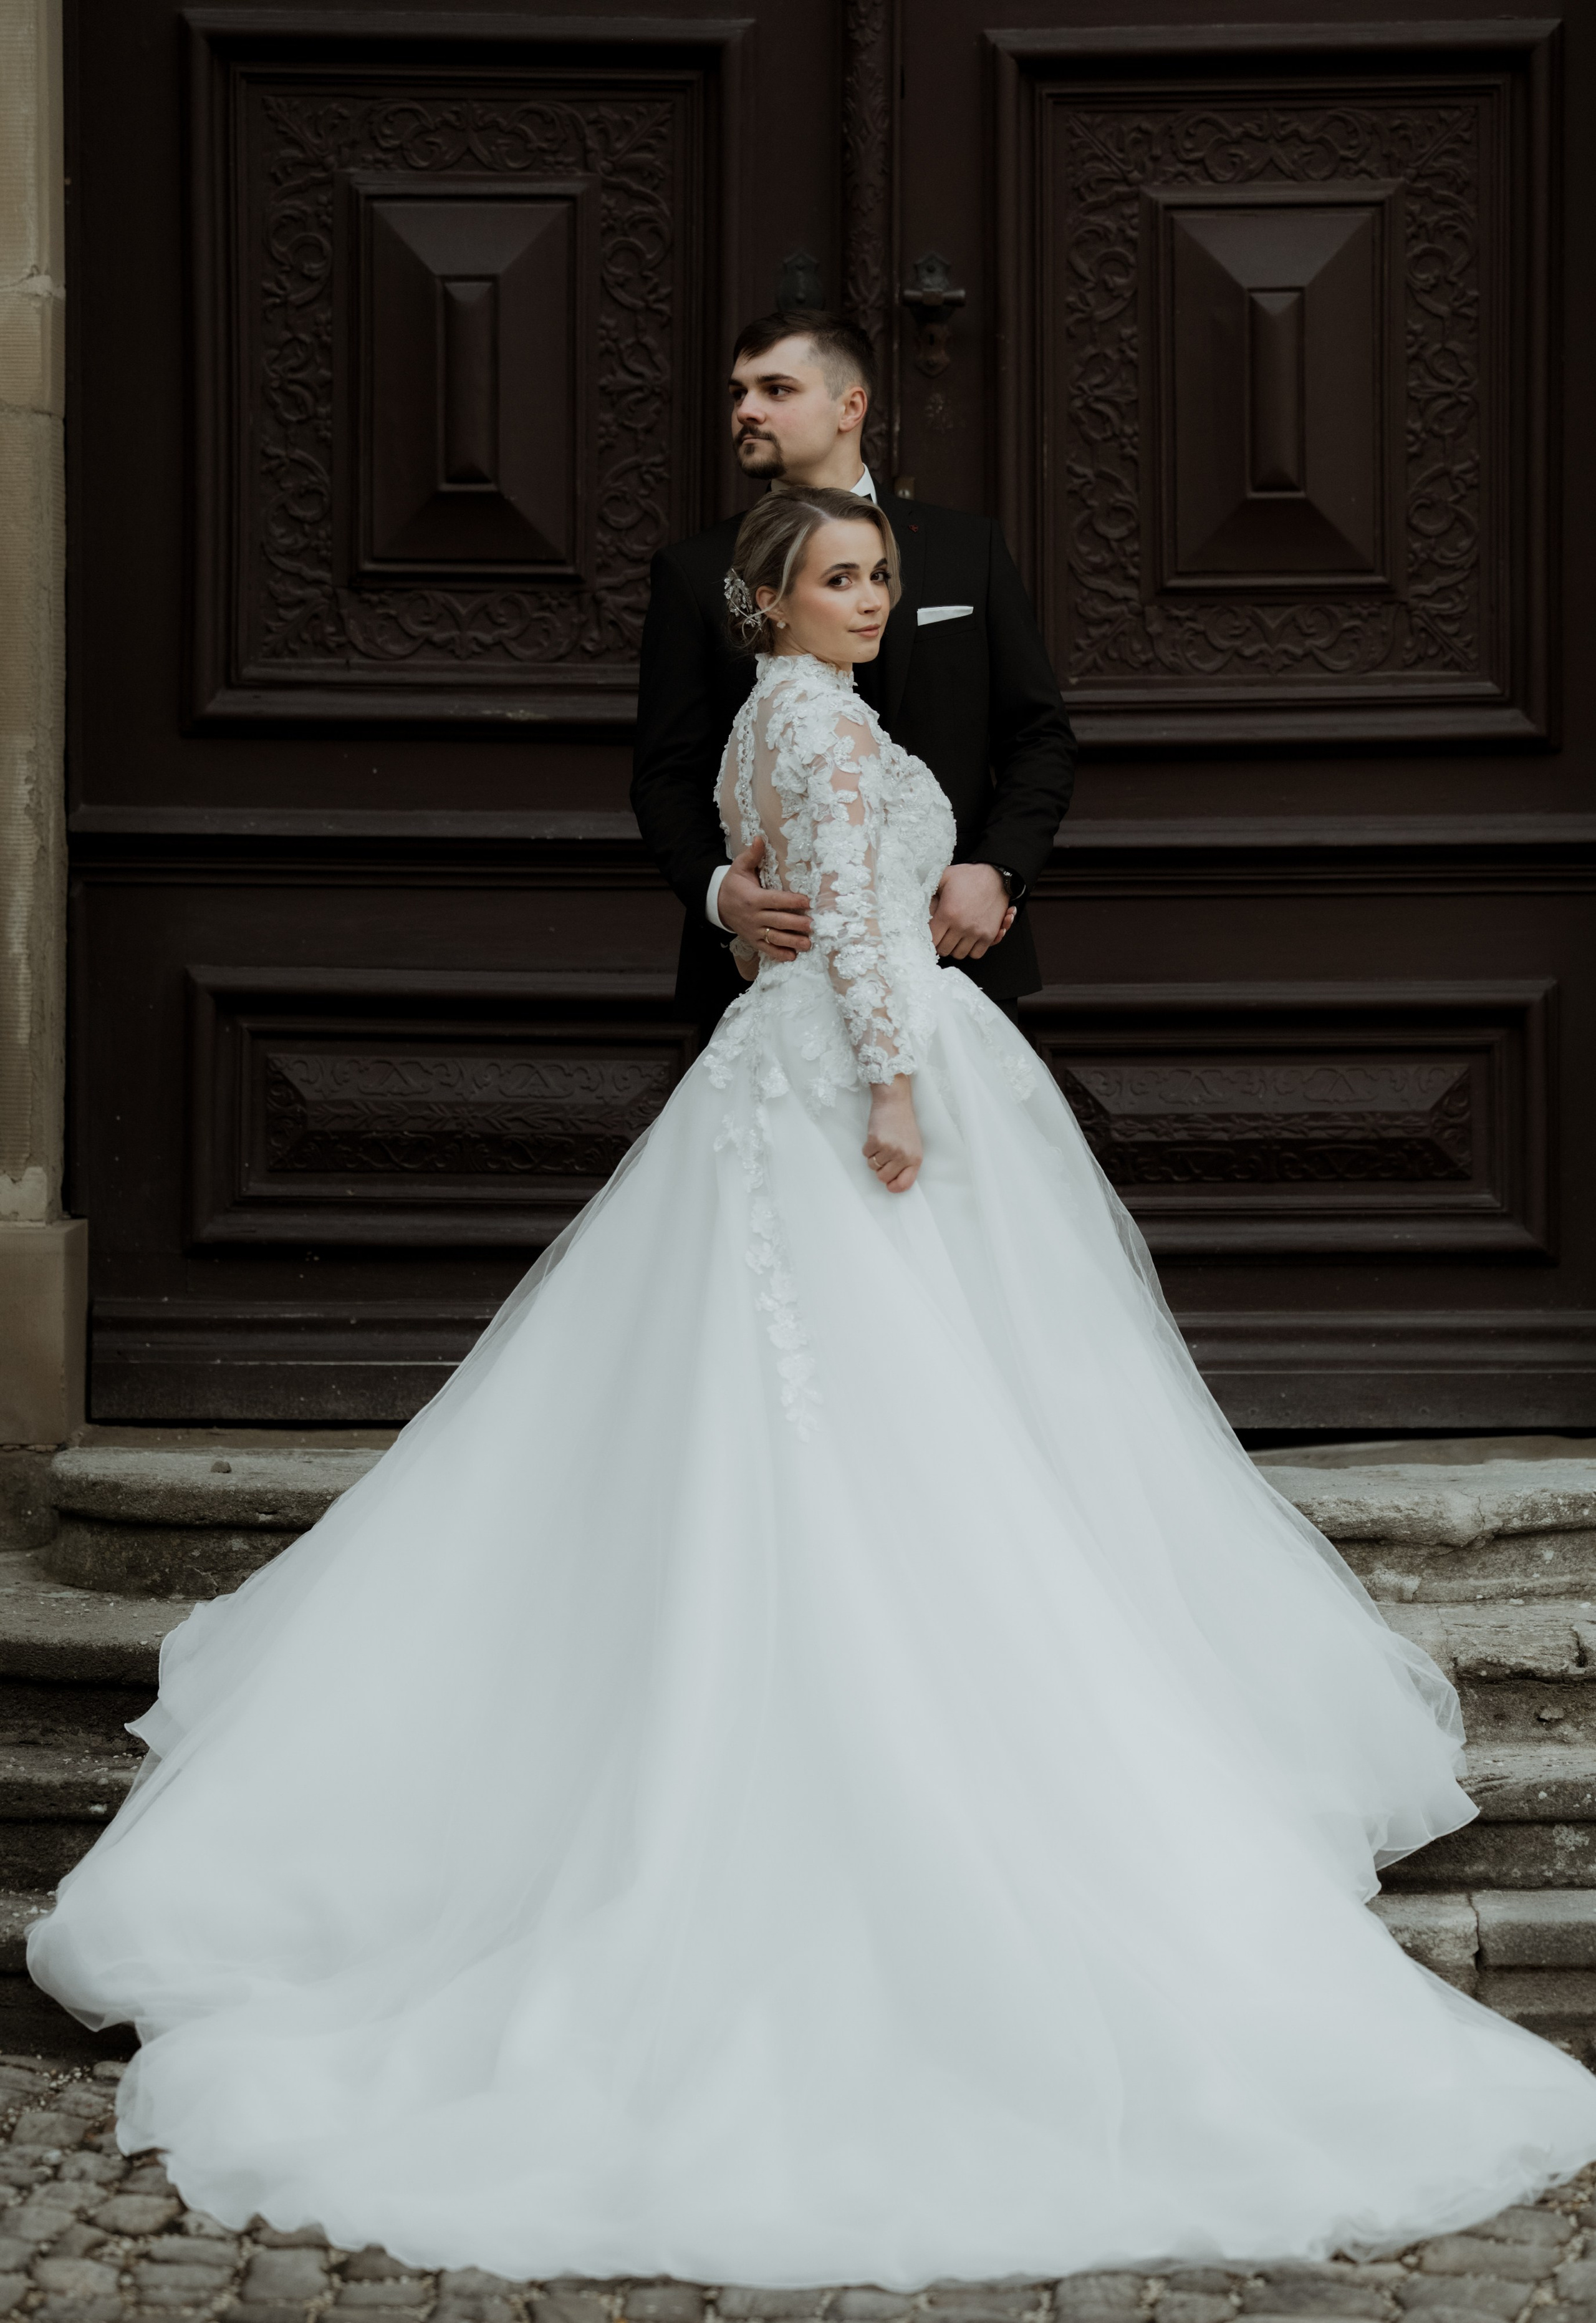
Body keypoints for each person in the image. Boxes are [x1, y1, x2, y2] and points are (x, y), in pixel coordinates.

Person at [29, 488, 1596, 2285]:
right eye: (842, 579)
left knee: (830, 1418)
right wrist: (898, 1085)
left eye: (880, 580)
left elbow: (794, 865)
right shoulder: (811, 714)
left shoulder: (798, 719)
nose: (873, 601)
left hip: (777, 1076)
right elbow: (857, 918)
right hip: (854, 1074)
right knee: (895, 1421)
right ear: (765, 596)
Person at [632, 308, 1074, 1039]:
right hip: (769, 978)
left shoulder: (969, 549)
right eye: (738, 392)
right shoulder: (697, 571)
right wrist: (720, 894)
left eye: (775, 389)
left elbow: (1038, 736)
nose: (745, 410)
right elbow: (665, 771)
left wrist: (998, 871)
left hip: (953, 953)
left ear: (850, 406)